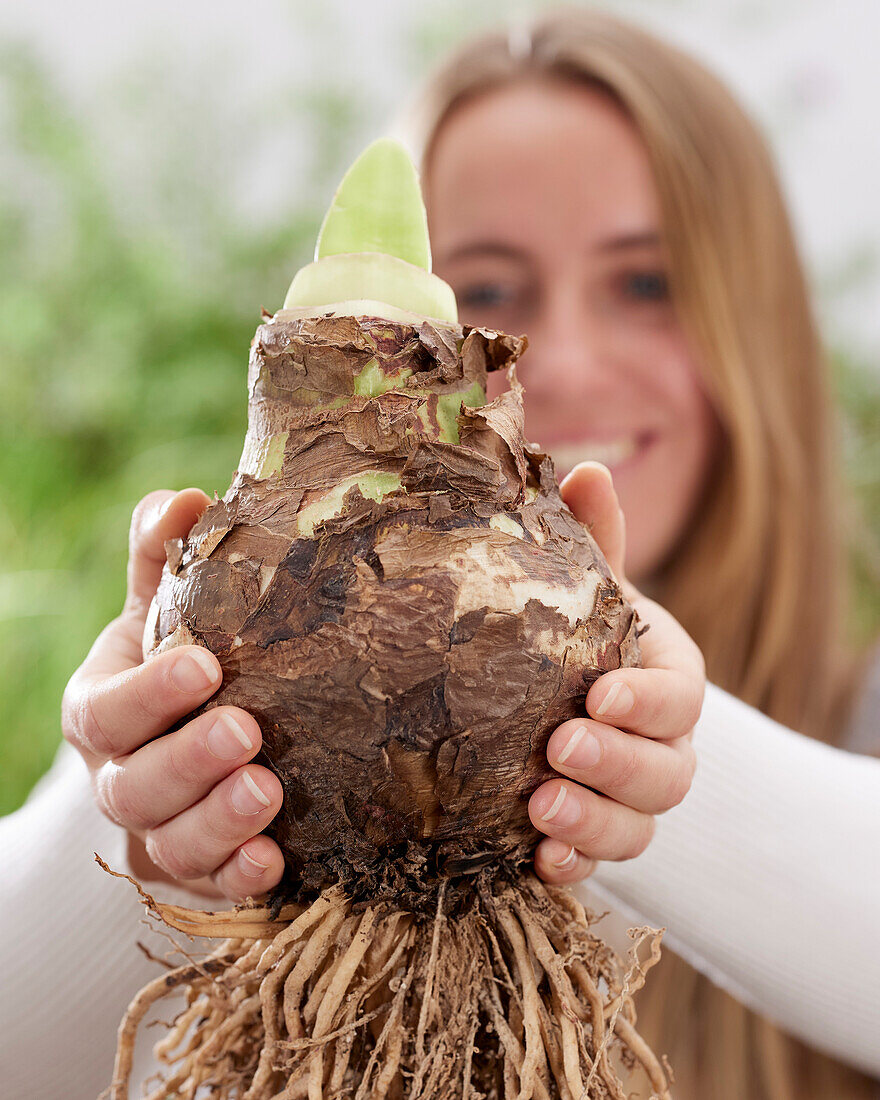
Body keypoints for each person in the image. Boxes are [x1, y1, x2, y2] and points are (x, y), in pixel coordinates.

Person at [1, 8, 878, 1100]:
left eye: (646, 283)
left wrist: (611, 716)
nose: (567, 354)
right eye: (490, 294)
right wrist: (152, 794)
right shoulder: (240, 673)